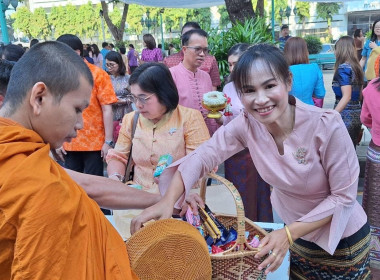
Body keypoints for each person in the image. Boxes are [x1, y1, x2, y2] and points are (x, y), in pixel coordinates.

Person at [132, 44, 370, 279]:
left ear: (288, 81)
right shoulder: (247, 124)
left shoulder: (327, 125)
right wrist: (168, 200)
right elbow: (204, 155)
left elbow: (343, 197)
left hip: (340, 241)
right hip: (292, 235)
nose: (261, 99)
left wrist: (288, 234)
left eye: (269, 86)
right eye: (248, 90)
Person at [0, 40, 141, 279]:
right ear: (39, 97)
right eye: (77, 109)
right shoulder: (42, 187)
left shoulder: (24, 160)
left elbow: (85, 184)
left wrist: (162, 198)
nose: (80, 124)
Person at [106, 63, 210, 239]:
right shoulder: (131, 120)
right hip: (136, 203)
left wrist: (182, 194)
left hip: (178, 205)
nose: (138, 105)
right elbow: (119, 156)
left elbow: (201, 164)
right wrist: (115, 178)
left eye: (144, 98)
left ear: (164, 93)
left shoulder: (189, 118)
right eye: (134, 98)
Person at [55, 35, 117, 215]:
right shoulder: (56, 77)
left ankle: (103, 226)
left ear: (77, 52)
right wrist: (56, 142)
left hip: (94, 143)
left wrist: (108, 141)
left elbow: (107, 109)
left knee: (96, 191)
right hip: (67, 142)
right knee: (71, 190)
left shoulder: (98, 74)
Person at [221, 43, 273, 222]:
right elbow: (225, 118)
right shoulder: (228, 88)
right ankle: (238, 231)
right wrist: (215, 117)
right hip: (232, 150)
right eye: (230, 64)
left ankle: (258, 230)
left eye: (236, 63)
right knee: (234, 194)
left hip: (254, 147)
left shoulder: (257, 86)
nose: (232, 68)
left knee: (256, 194)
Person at [169, 29, 219, 136]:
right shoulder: (171, 75)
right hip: (182, 134)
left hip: (207, 135)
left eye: (205, 50)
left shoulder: (206, 77)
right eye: (197, 49)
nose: (202, 54)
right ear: (184, 49)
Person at [360, 76, 380, 277]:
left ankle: (374, 260)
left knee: (376, 207)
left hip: (378, 155)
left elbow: (365, 119)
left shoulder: (372, 87)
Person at [164, 21, 221, 91]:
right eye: (184, 36)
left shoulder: (210, 60)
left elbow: (213, 87)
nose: (186, 38)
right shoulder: (169, 62)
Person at [332, 36, 364, 146]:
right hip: (357, 114)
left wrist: (332, 115)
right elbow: (360, 95)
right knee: (351, 150)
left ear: (340, 50)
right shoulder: (356, 67)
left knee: (342, 152)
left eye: (335, 49)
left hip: (344, 115)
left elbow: (347, 96)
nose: (334, 52)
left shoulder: (343, 69)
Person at [284, 37, 326, 107]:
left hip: (288, 111)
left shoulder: (283, 70)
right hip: (309, 111)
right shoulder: (314, 68)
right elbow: (320, 94)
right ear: (305, 51)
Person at [105, 51, 133, 142]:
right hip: (110, 113)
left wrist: (123, 101)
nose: (109, 68)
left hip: (125, 112)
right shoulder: (106, 78)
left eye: (112, 65)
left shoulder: (128, 78)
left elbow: (135, 97)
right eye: (107, 65)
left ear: (119, 64)